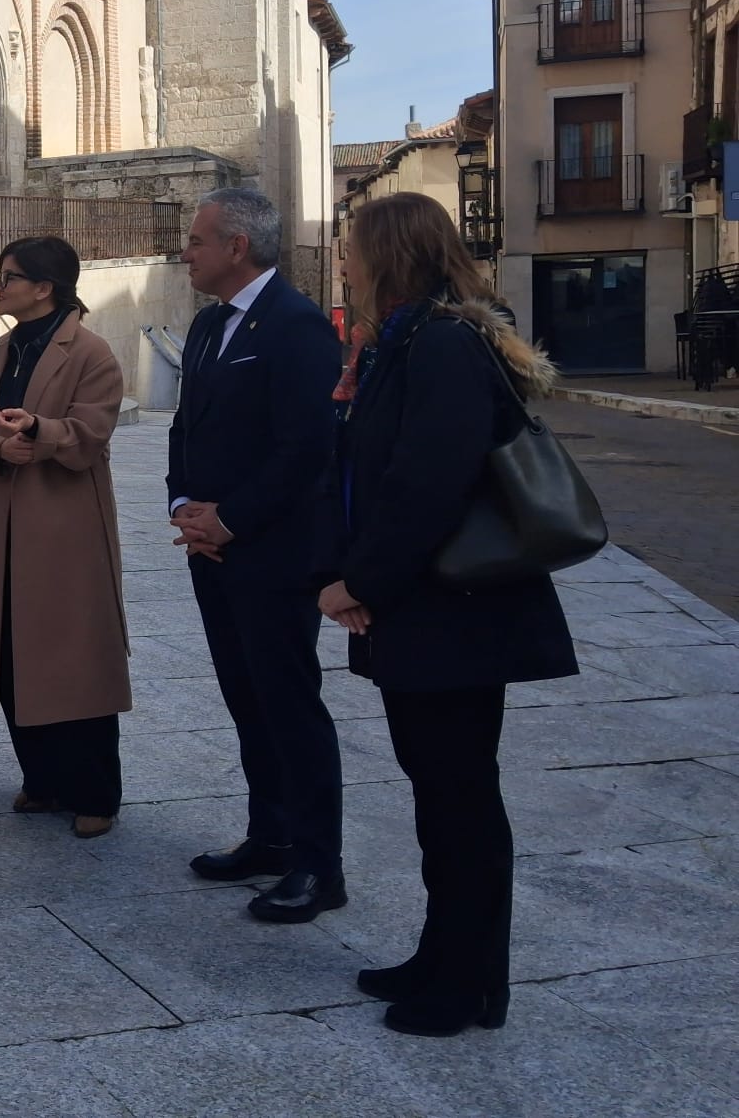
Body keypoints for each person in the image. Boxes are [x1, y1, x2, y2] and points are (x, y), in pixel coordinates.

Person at [320, 191, 578, 1037]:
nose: (345, 262)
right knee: (440, 793)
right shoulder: (405, 341)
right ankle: (442, 954)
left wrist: (361, 582)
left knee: (462, 797)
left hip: (458, 612)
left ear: (391, 255)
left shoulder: (441, 345)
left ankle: (471, 985)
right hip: (428, 609)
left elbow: (426, 485)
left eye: (354, 248)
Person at [167, 187, 348, 923]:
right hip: (212, 553)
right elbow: (187, 428)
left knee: (288, 704)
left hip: (273, 556)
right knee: (246, 700)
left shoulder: (298, 327)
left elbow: (306, 448)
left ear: (236, 247)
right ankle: (269, 835)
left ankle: (318, 864)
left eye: (198, 240)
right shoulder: (210, 326)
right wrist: (183, 507)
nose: (187, 250)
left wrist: (232, 520)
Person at [0, 237, 129, 837]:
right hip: (7, 518)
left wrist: (40, 428)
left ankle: (95, 793)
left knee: (74, 656)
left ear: (44, 288)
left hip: (66, 530)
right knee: (13, 650)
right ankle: (43, 779)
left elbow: (93, 431)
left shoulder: (91, 352)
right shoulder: (4, 349)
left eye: (9, 277)